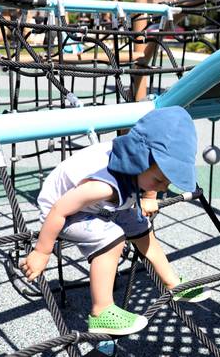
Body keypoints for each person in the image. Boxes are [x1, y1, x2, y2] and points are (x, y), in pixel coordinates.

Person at [20, 106, 208, 336]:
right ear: (139, 161)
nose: (163, 188)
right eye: (159, 180)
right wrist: (42, 252)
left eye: (166, 184)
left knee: (142, 228)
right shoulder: (102, 186)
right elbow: (59, 210)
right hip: (64, 210)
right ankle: (101, 311)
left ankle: (171, 282)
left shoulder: (137, 169)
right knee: (112, 237)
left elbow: (150, 180)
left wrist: (150, 195)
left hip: (108, 201)